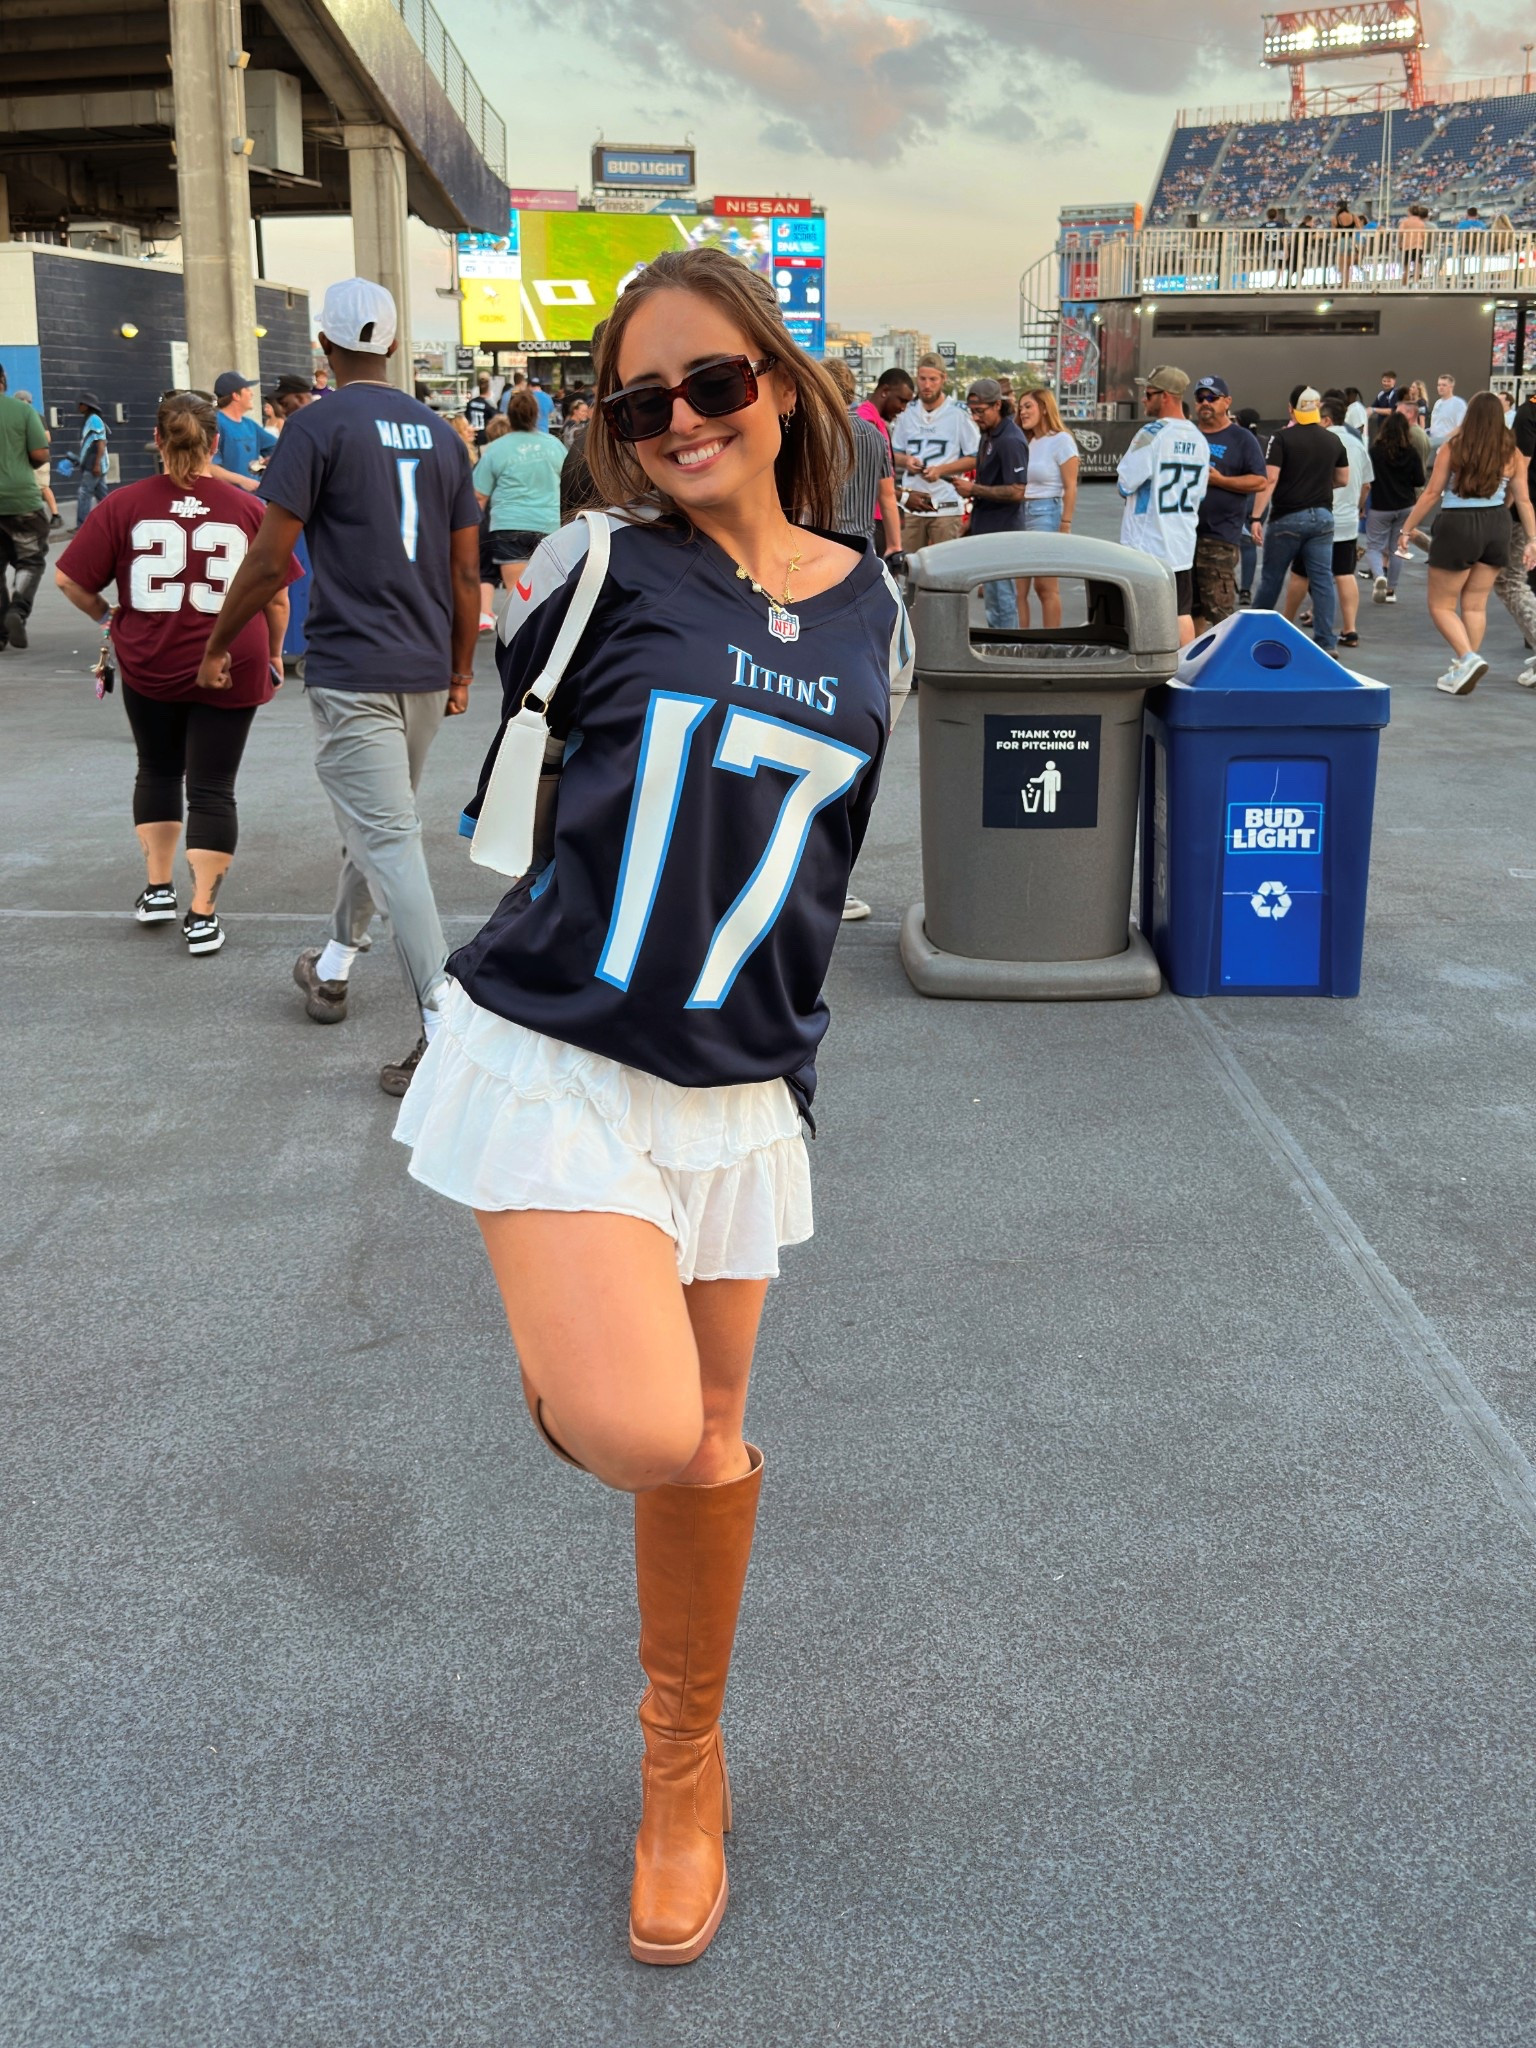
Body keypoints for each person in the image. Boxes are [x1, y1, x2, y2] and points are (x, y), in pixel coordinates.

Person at [393, 243, 911, 1970]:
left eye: (712, 382)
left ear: (779, 383)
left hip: (741, 1083)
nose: (680, 418)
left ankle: (682, 1772)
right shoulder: (605, 563)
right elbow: (523, 810)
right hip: (560, 1049)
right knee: (640, 1427)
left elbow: (822, 873)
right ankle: (568, 1343)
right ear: (613, 430)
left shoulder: (874, 605)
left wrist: (797, 1073)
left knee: (712, 1437)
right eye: (641, 401)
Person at [192, 277, 482, 1093]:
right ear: (390, 344)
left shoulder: (314, 425)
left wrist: (221, 643)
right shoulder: (441, 435)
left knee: (388, 838)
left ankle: (445, 1020)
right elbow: (467, 573)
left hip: (355, 669)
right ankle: (332, 965)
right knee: (377, 824)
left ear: (324, 346)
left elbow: (269, 556)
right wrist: (462, 668)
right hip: (425, 668)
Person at [53, 392, 298, 952]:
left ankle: (158, 887)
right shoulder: (248, 509)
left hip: (150, 657)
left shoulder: (122, 504)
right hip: (234, 657)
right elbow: (276, 598)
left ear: (158, 441)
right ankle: (203, 914)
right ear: (215, 442)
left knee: (158, 771)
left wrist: (107, 615)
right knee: (213, 788)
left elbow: (69, 579)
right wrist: (277, 651)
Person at [1401, 390, 1536, 694]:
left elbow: (1432, 493)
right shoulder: (1511, 452)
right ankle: (1466, 664)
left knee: (1441, 605)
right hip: (1498, 525)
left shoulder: (1454, 448)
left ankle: (1467, 658)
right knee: (1475, 605)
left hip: (1458, 525)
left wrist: (1407, 528)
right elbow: (1523, 500)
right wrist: (1532, 540)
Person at [1250, 385, 1348, 652]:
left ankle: (1250, 636)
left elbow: (1271, 479)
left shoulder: (1281, 439)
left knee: (1272, 579)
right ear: (1318, 408)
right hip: (1323, 519)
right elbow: (1343, 479)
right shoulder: (1333, 441)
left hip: (1287, 519)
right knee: (1322, 581)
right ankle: (1327, 642)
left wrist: (1256, 516)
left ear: (1290, 408)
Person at [1116, 365, 1209, 645]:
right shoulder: (1199, 438)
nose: (1144, 399)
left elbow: (1126, 482)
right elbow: (1200, 494)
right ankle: (1185, 672)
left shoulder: (1152, 433)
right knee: (1182, 613)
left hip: (1146, 543)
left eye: (1148, 393)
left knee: (1139, 612)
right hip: (1181, 540)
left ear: (1166, 396)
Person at [932, 376, 1027, 629]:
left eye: (980, 411)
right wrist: (972, 520)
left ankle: (1008, 650)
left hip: (1004, 530)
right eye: (972, 412)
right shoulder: (989, 434)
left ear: (997, 405)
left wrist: (973, 489)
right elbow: (987, 483)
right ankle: (1000, 645)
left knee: (1002, 596)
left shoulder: (1010, 440)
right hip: (987, 526)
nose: (975, 417)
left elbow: (1018, 491)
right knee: (994, 599)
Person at [1283, 390, 1370, 649]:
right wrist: (1359, 508)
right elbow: (1367, 484)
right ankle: (1350, 629)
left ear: (1327, 420)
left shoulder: (1321, 442)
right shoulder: (1357, 444)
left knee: (1302, 573)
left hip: (1317, 515)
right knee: (1344, 573)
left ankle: (1285, 622)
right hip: (1347, 520)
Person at [472, 386, 566, 593]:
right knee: (547, 593)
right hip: (549, 525)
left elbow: (478, 495)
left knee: (517, 595)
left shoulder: (496, 449)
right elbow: (570, 484)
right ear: (536, 415)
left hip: (508, 526)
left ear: (509, 415)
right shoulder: (554, 446)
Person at [1191, 375, 1266, 632]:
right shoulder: (1187, 434)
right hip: (1182, 535)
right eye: (1200, 398)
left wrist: (1222, 481)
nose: (1205, 403)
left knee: (1220, 613)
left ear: (1227, 402)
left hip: (1220, 537)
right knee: (1190, 610)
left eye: (1212, 397)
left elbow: (1259, 481)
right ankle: (1194, 666)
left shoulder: (1241, 438)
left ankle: (1226, 667)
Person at [891, 353, 978, 552]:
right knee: (908, 569)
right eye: (922, 379)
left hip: (945, 504)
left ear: (943, 379)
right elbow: (892, 454)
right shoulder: (906, 411)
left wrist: (942, 469)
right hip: (911, 504)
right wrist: (907, 461)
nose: (927, 385)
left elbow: (975, 457)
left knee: (944, 570)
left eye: (933, 379)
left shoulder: (959, 413)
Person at [1010, 385, 1079, 630]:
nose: (1023, 412)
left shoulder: (1061, 440)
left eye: (1028, 406)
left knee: (1045, 586)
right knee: (1017, 588)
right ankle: (1020, 645)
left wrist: (1066, 524)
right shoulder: (1026, 441)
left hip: (1045, 513)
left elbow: (1071, 486)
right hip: (1019, 513)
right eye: (1020, 408)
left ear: (1044, 408)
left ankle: (1052, 643)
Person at [823, 358, 900, 559]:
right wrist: (894, 544)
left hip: (825, 546)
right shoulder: (875, 435)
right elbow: (887, 496)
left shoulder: (816, 433)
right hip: (864, 549)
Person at [0, 362, 51, 651]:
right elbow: (39, 452)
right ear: (3, 380)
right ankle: (17, 611)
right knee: (30, 559)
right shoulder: (22, 410)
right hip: (21, 500)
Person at [1362, 406, 1426, 604]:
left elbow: (1367, 481)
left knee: (1373, 546)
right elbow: (1419, 480)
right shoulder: (1412, 452)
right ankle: (1391, 589)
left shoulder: (1374, 452)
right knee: (1397, 547)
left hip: (1381, 506)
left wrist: (1362, 506)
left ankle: (1379, 574)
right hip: (1405, 506)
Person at [855, 367, 914, 555]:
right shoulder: (866, 423)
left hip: (877, 515)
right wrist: (904, 497)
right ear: (885, 391)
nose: (903, 408)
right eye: (902, 400)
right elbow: (865, 481)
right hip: (870, 519)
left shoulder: (874, 421)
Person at [1502, 384, 1536, 686]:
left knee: (1512, 582)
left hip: (1525, 514)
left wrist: (1503, 509)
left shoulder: (1527, 414)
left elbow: (1519, 468)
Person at [209, 371, 276, 496]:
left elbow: (279, 448)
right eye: (247, 389)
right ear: (236, 396)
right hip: (229, 502)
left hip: (255, 500)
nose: (252, 393)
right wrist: (243, 481)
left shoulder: (250, 425)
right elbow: (209, 467)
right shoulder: (215, 424)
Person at [1234, 405, 1264, 599]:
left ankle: (1228, 581)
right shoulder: (1264, 442)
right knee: (1249, 543)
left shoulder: (1237, 441)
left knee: (1228, 540)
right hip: (1260, 498)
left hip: (1240, 495)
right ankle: (1246, 589)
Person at [75, 393, 112, 525]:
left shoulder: (94, 420)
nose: (78, 406)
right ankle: (112, 521)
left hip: (94, 464)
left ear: (87, 406)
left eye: (81, 404)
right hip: (95, 463)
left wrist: (96, 464)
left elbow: (101, 443)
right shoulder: (90, 419)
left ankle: (82, 525)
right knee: (102, 495)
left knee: (84, 494)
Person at [1429, 373, 1467, 453]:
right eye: (1439, 385)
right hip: (1434, 444)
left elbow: (1461, 426)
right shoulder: (1437, 403)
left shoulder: (1459, 404)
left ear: (1451, 387)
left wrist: (1445, 439)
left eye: (1444, 385)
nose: (1441, 387)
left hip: (1449, 445)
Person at [465, 373, 496, 445]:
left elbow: (467, 419)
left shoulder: (471, 403)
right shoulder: (489, 404)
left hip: (473, 438)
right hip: (485, 440)